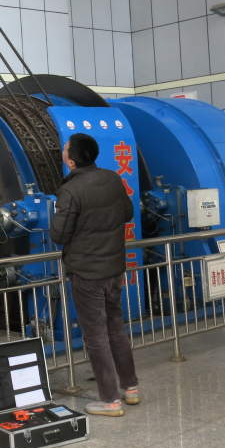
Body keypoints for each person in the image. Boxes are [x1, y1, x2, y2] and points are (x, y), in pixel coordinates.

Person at [49, 133, 139, 417]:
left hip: (86, 272)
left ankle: (110, 400)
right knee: (116, 328)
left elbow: (59, 234)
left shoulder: (70, 190)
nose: (63, 152)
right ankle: (130, 388)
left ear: (71, 160)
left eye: (65, 149)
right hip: (113, 268)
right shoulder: (112, 179)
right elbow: (127, 213)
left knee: (96, 335)